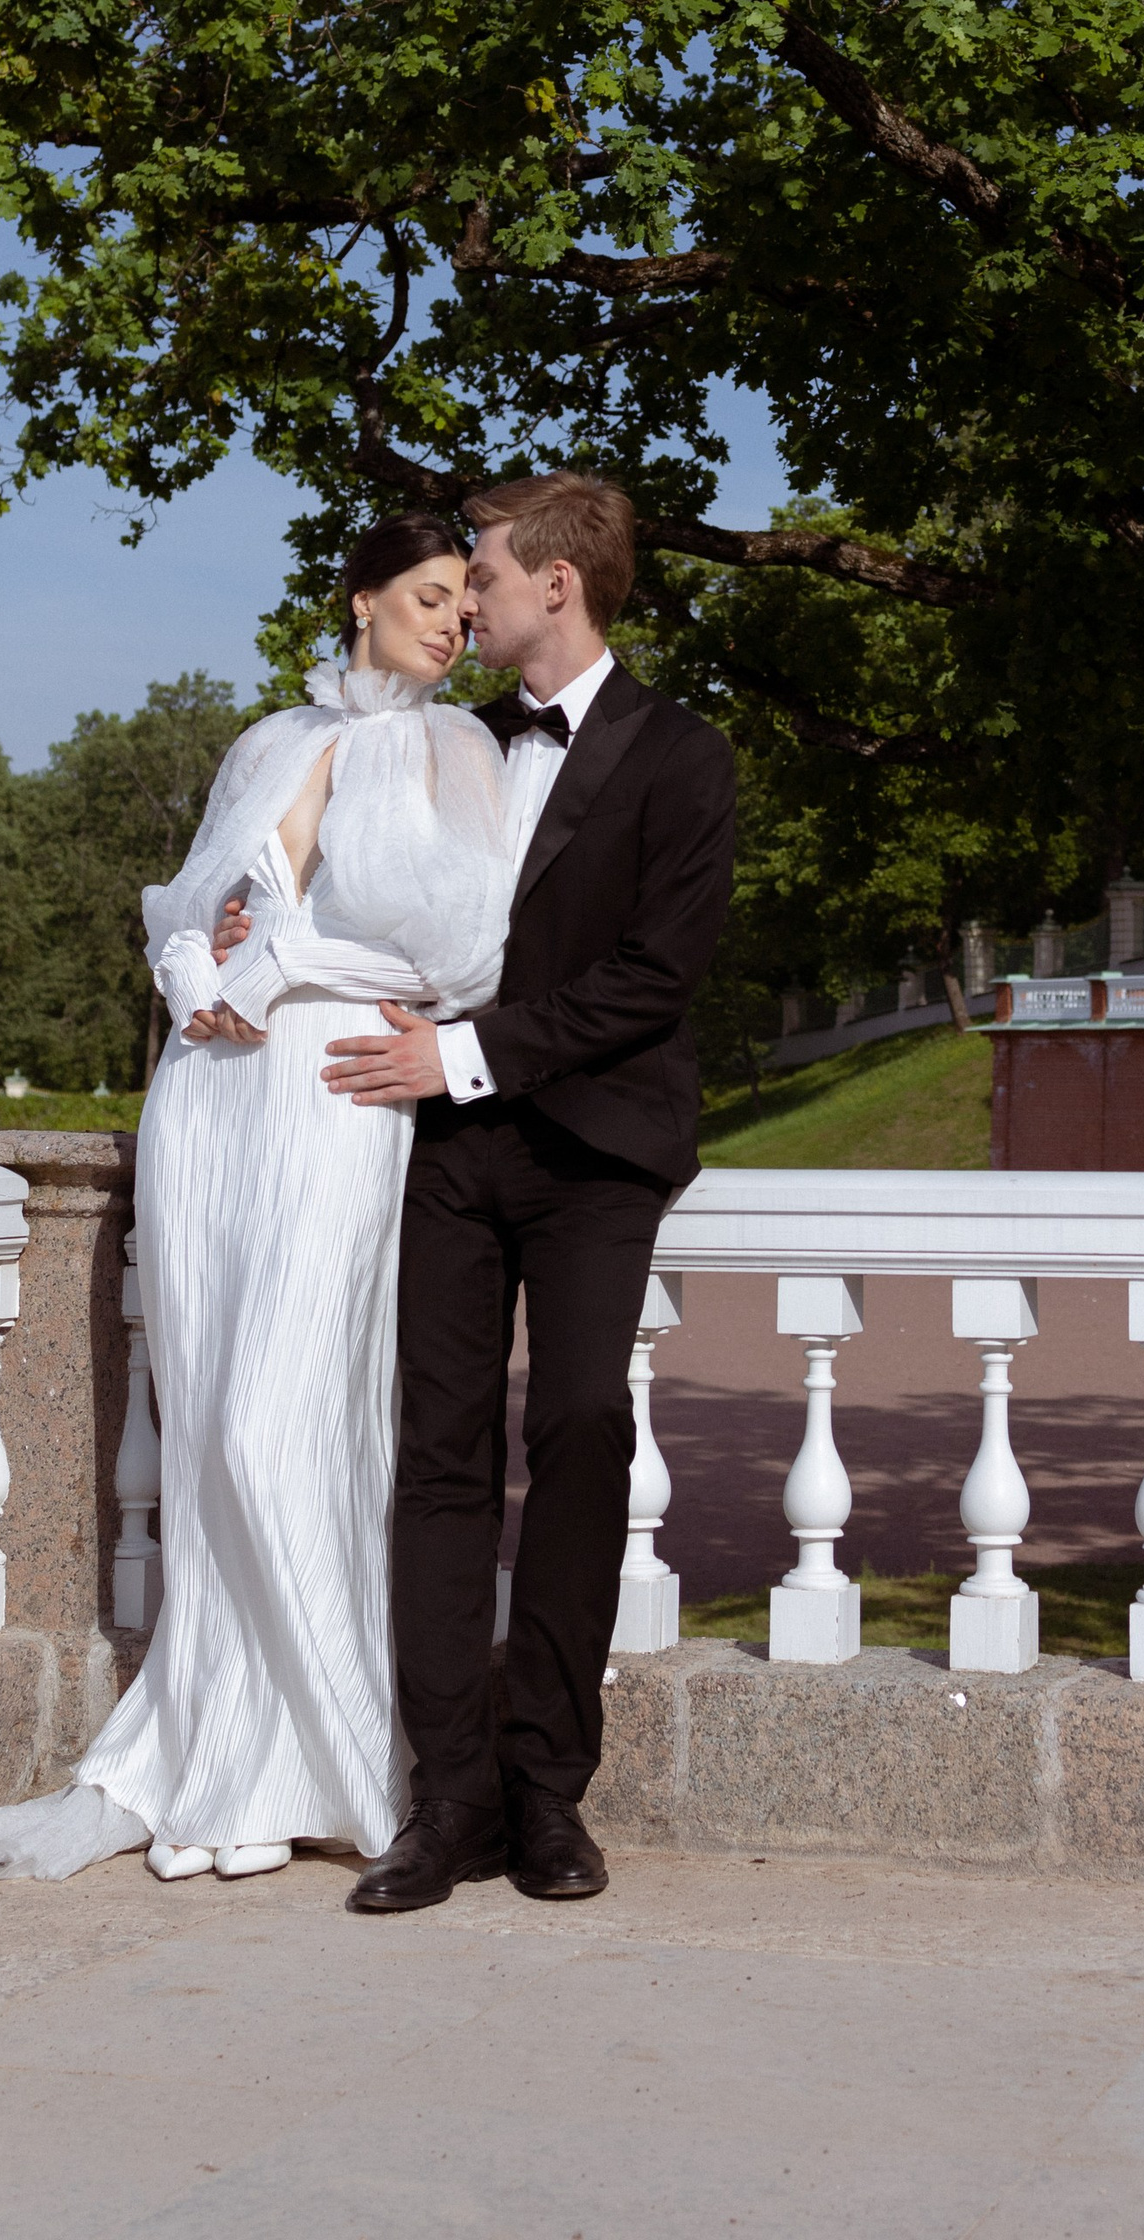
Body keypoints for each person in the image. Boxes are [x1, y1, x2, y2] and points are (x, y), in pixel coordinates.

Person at [0, 511, 514, 1884]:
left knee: (281, 1423)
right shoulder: (264, 743)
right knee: (203, 1435)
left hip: (337, 1083)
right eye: (426, 597)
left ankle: (345, 1767)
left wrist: (286, 959)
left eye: (462, 606)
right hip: (208, 1096)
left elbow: (467, 945)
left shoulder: (460, 750)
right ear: (360, 599)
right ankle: (226, 1760)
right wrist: (200, 975)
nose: (450, 624)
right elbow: (185, 905)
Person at [271, 469, 736, 1913]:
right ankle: (449, 1798)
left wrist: (465, 1056)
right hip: (448, 1163)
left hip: (597, 1154)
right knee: (439, 1459)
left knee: (586, 1430)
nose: (462, 593)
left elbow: (655, 980)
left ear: (557, 584)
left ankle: (549, 1792)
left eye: (479, 567)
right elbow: (326, 898)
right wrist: (235, 964)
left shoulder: (683, 756)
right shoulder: (438, 743)